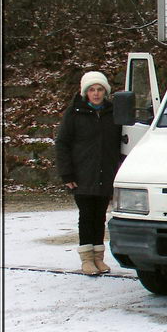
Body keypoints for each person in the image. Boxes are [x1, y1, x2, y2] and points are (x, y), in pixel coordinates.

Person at [55, 71, 122, 276]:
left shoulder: (113, 113)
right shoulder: (74, 113)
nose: (96, 93)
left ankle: (98, 258)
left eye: (99, 89)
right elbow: (62, 143)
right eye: (92, 90)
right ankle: (86, 259)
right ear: (85, 92)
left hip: (106, 174)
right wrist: (67, 175)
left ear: (105, 92)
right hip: (82, 174)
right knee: (86, 216)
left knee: (100, 217)